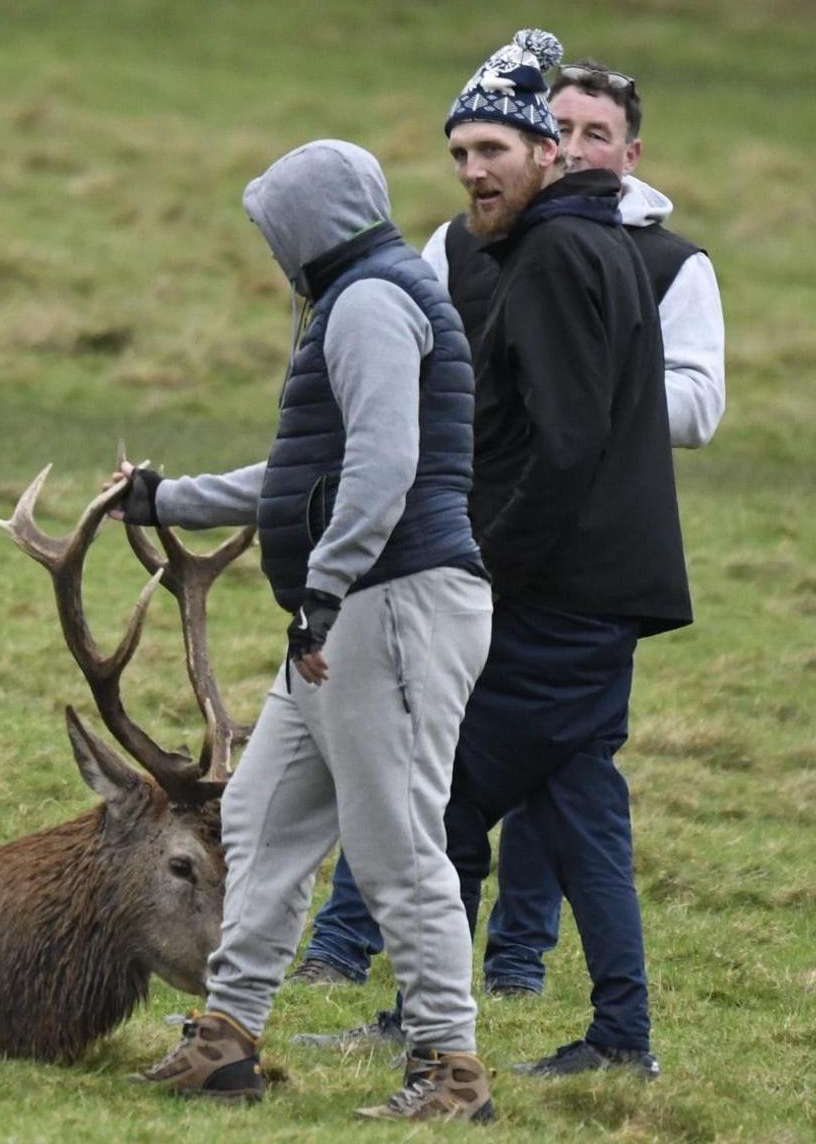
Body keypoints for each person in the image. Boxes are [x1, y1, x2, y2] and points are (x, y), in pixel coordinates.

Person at [295, 28, 690, 1080]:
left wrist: (479, 566)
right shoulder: (584, 242)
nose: (473, 172)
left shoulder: (560, 254)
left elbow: (561, 446)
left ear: (545, 153)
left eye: (494, 151)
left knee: (443, 800)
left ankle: (429, 1026)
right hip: (600, 593)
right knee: (577, 802)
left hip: (558, 595)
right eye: (459, 153)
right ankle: (617, 1038)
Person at [125, 138, 498, 1123]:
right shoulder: (362, 298)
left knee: (396, 847)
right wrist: (169, 500)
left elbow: (381, 469)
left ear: (304, 227)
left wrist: (326, 591)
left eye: (272, 230)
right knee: (261, 817)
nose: (270, 251)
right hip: (353, 616)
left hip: (391, 609)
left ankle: (450, 1071)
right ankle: (225, 1040)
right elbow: (297, 479)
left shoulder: (372, 304)